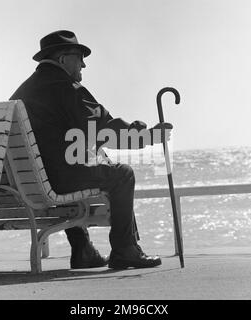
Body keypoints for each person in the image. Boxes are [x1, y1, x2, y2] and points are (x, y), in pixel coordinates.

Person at [10, 30, 173, 270]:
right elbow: (104, 130)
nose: (84, 64)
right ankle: (125, 249)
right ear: (62, 59)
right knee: (122, 174)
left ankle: (82, 249)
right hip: (58, 179)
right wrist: (147, 137)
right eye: (79, 56)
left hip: (25, 183)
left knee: (89, 157)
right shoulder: (66, 88)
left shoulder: (21, 92)